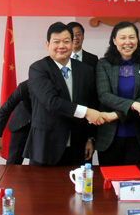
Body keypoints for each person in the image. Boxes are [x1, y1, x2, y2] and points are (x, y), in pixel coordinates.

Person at [24, 22, 104, 166]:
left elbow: (92, 102)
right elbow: (51, 102)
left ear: (72, 44)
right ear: (47, 44)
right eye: (56, 42)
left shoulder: (85, 70)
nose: (61, 46)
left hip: (77, 145)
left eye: (66, 41)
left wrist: (90, 138)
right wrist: (86, 112)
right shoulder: (38, 69)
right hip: (47, 146)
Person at [94, 21, 140, 165]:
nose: (128, 42)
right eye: (122, 38)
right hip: (109, 137)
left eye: (132, 37)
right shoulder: (103, 64)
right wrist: (134, 105)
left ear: (137, 40)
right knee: (110, 178)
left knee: (136, 178)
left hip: (139, 136)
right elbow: (104, 96)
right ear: (114, 40)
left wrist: (114, 115)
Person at [0, 80, 32, 164]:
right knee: (13, 163)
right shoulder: (24, 87)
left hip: (43, 128)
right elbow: (4, 110)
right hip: (21, 125)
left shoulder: (56, 85)